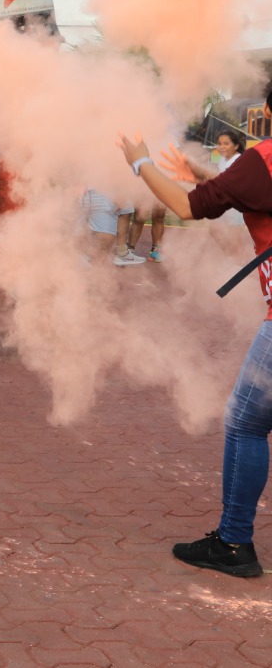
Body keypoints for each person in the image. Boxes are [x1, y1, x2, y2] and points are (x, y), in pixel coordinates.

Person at [117, 100, 272, 578]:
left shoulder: (265, 157)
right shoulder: (256, 165)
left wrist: (141, 163)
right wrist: (205, 174)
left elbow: (188, 207)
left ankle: (233, 543)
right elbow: (249, 194)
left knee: (246, 421)